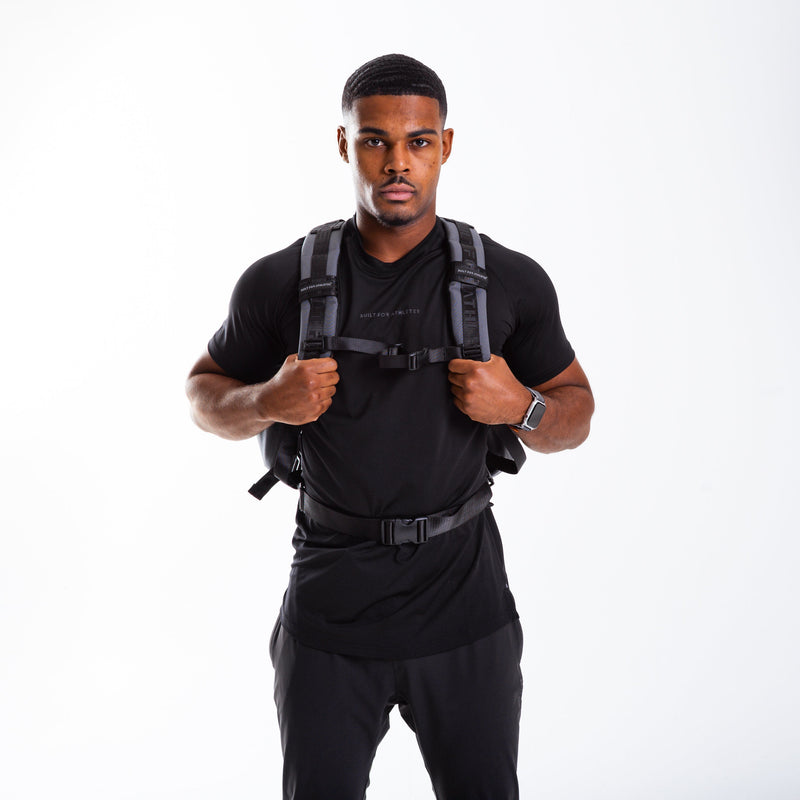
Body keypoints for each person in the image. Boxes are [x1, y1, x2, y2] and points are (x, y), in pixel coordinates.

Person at [186, 53, 594, 800]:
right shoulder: (281, 280)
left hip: (466, 612)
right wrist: (267, 400)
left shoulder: (509, 280)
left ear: (445, 145)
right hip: (329, 618)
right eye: (374, 140)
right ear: (345, 144)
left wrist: (522, 407)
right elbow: (202, 394)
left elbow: (576, 415)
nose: (397, 162)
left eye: (418, 141)